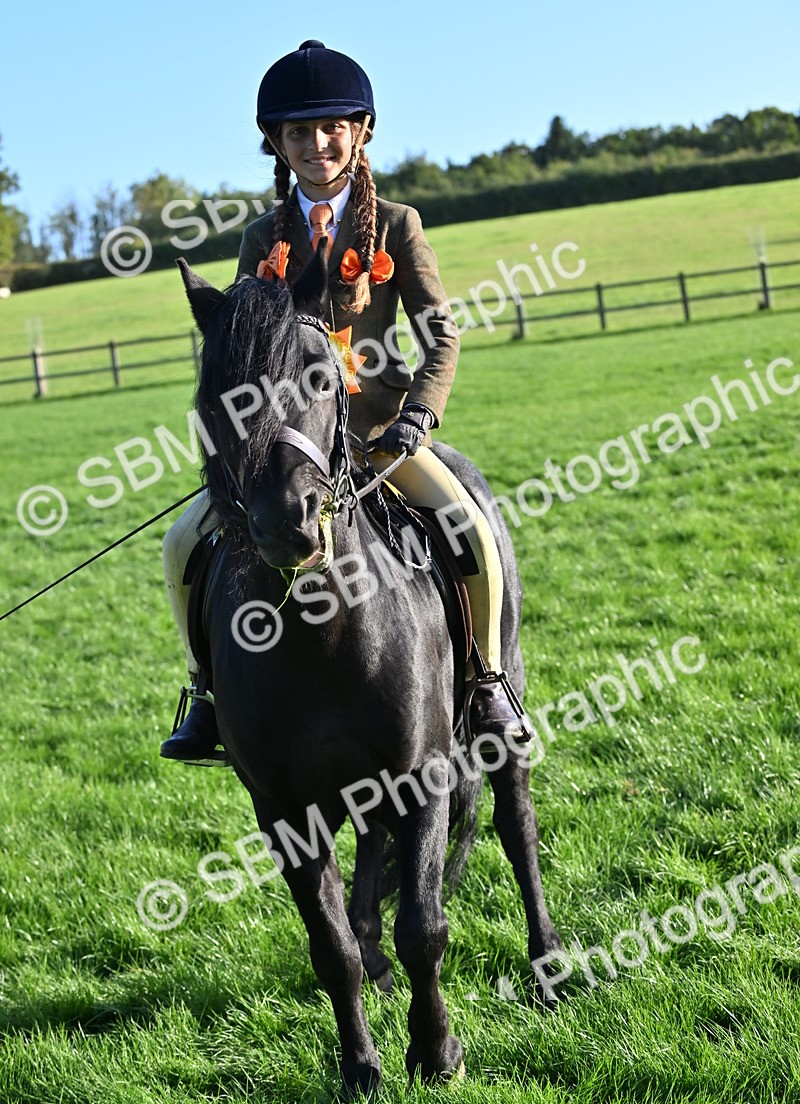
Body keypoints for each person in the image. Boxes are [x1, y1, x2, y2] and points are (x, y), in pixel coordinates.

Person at [160, 40, 532, 766]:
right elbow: (242, 349)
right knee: (181, 545)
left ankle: (487, 682)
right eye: (299, 132)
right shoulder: (261, 237)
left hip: (381, 437)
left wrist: (421, 412)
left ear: (360, 131)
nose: (317, 144)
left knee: (470, 529)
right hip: (288, 446)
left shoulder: (398, 224)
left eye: (332, 127)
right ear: (277, 143)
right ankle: (205, 695)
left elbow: (441, 333)